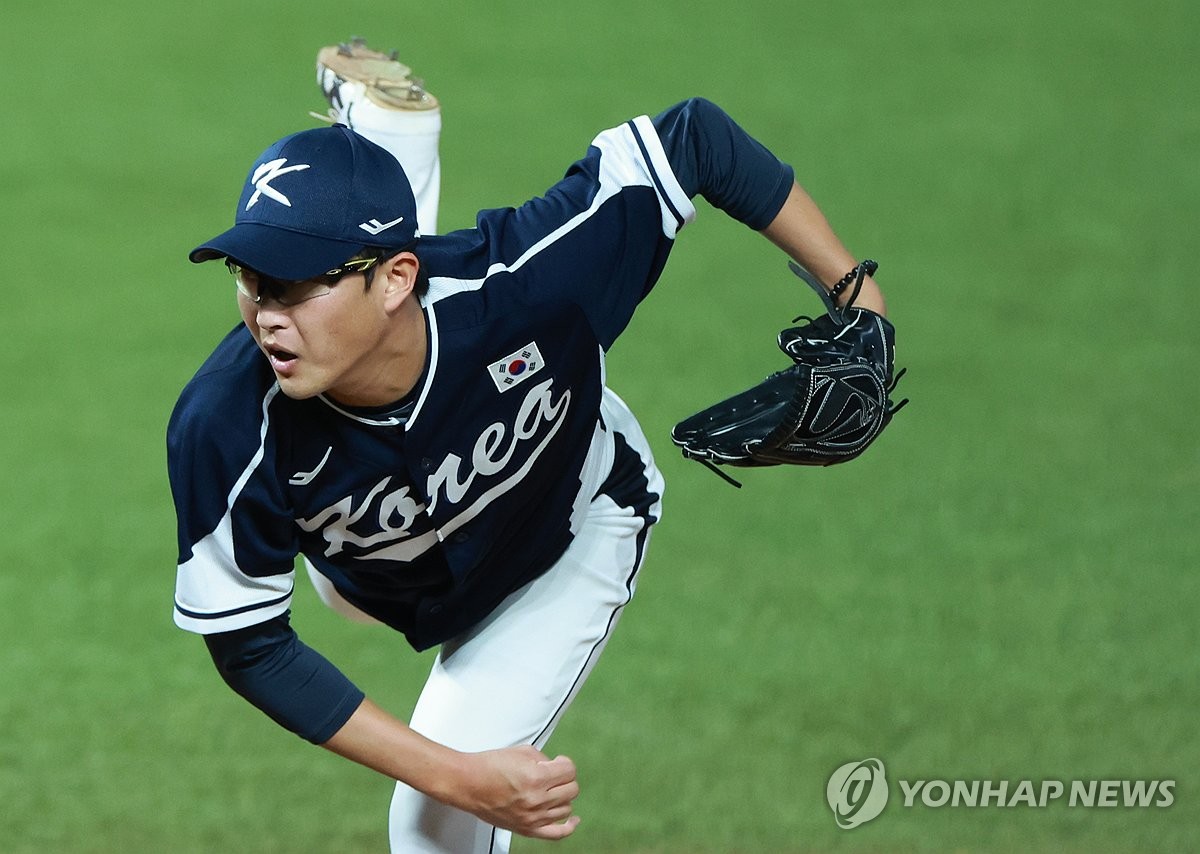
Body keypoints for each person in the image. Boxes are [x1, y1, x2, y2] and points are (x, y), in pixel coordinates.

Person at [167, 39, 887, 854]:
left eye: (294, 285)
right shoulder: (225, 425)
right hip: (375, 569)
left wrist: (860, 302)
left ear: (394, 275)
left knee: (431, 834)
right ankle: (386, 149)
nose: (263, 314)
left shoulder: (529, 283)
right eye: (250, 280)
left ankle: (387, 159)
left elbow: (694, 140)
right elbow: (252, 646)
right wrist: (456, 771)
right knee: (364, 484)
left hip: (567, 530)